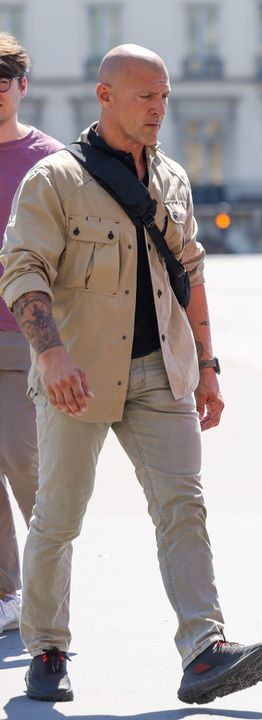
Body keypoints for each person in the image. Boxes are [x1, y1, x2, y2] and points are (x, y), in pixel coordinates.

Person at [0, 44, 262, 705]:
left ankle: (204, 649)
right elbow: (22, 270)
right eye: (145, 96)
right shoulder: (55, 180)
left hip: (161, 372)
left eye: (165, 96)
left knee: (183, 504)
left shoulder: (171, 179)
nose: (158, 109)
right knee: (58, 518)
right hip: (80, 374)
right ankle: (47, 645)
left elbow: (191, 273)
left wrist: (207, 367)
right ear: (105, 96)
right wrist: (52, 354)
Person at [0, 32, 59, 636]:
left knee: (22, 456)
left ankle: (49, 574)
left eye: (4, 81)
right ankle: (6, 593)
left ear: (22, 87)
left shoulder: (48, 160)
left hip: (26, 330)